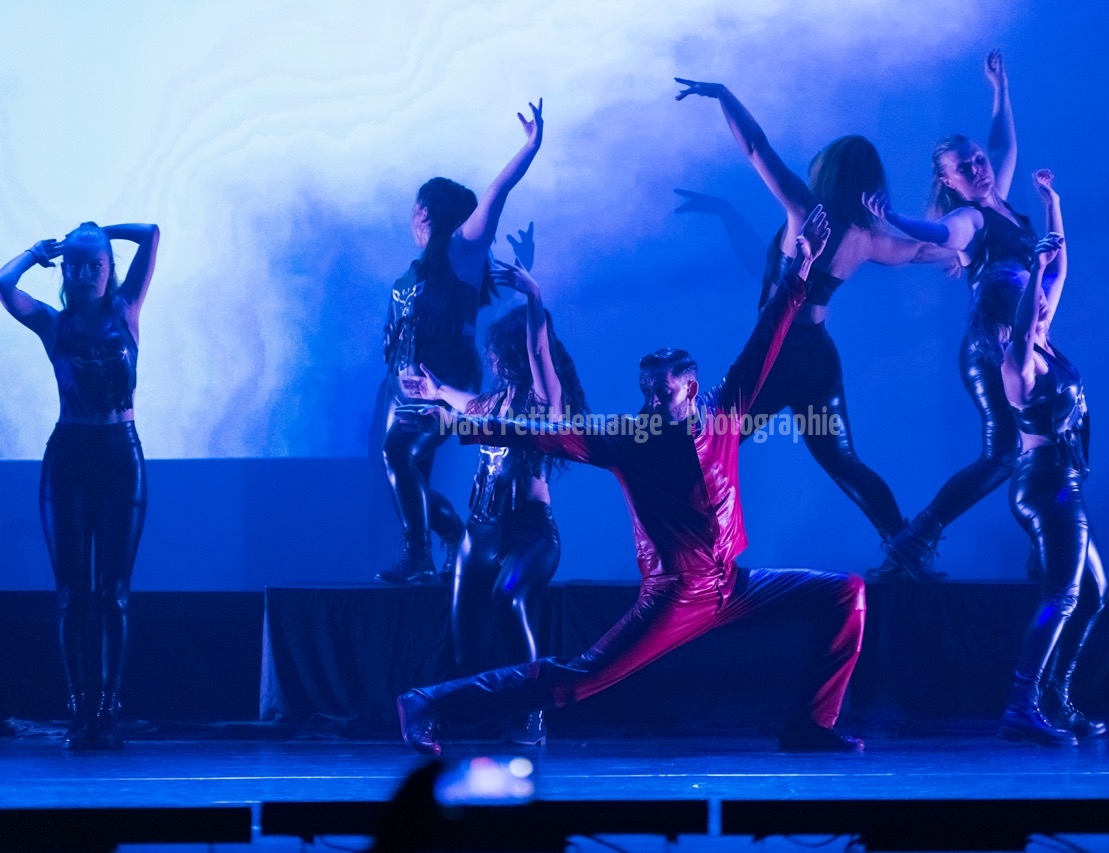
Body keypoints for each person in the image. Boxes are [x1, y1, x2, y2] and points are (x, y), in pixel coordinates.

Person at [396, 206, 868, 755]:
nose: (650, 402)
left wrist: (798, 270)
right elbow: (544, 434)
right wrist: (456, 421)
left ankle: (811, 725)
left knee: (846, 593)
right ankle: (428, 703)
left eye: (661, 392)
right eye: (645, 391)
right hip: (677, 592)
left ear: (690, 389)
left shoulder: (724, 412)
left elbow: (764, 342)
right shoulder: (631, 438)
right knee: (579, 678)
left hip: (731, 583)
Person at [673, 78, 955, 557]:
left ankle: (686, 543)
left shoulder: (805, 210)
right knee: (843, 461)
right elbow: (925, 250)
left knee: (712, 443)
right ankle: (907, 545)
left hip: (777, 353)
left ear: (829, 171)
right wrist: (967, 247)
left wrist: (722, 94)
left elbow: (756, 147)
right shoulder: (869, 239)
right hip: (818, 357)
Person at [862, 50, 1040, 580]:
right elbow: (941, 233)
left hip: (1023, 347)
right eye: (964, 167)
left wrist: (1000, 88)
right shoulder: (970, 219)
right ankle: (911, 543)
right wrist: (895, 218)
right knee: (1003, 455)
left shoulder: (999, 200)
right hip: (991, 351)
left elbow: (1005, 145)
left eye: (977, 160)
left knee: (1040, 448)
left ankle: (1047, 548)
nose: (978, 168)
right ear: (948, 182)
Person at [396, 257, 588, 747]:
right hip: (479, 534)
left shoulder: (546, 402)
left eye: (502, 353)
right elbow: (459, 401)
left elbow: (540, 349)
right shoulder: (494, 403)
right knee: (466, 641)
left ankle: (534, 715)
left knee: (511, 599)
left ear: (515, 353)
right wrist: (433, 390)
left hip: (529, 533)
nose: (496, 361)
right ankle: (472, 715)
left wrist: (533, 295)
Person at [0, 221, 160, 749]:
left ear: (109, 269)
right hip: (68, 458)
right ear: (65, 271)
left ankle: (107, 710)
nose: (87, 273)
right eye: (76, 265)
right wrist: (40, 250)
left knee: (113, 594)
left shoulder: (126, 310)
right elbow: (3, 286)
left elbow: (151, 233)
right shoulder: (54, 323)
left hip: (120, 458)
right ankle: (79, 711)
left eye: (96, 264)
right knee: (72, 594)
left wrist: (95, 229)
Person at [377, 99, 545, 585]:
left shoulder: (462, 248)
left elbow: (497, 192)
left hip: (445, 378)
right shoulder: (417, 269)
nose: (411, 217)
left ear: (429, 212)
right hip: (404, 385)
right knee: (407, 471)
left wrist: (530, 147)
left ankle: (419, 555)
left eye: (416, 209)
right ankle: (449, 536)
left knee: (397, 456)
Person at [975, 172, 1106, 746]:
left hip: (1064, 482)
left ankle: (1055, 696)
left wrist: (1053, 206)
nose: (1046, 298)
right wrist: (1032, 266)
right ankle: (1021, 707)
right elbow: (1029, 315)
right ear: (1013, 315)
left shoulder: (1045, 343)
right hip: (1045, 485)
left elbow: (1060, 273)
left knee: (1093, 594)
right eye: (1033, 294)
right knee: (1064, 594)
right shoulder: (1017, 364)